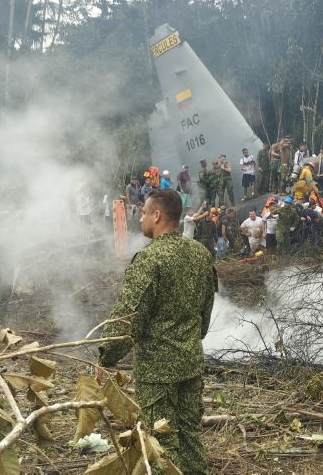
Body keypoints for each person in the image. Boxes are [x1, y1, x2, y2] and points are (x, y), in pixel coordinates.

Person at [98, 189, 216, 475]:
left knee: (161, 441)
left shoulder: (150, 260)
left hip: (157, 370)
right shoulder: (201, 254)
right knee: (190, 435)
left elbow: (128, 317)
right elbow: (205, 314)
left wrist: (105, 357)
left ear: (157, 215)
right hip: (190, 361)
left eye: (143, 213)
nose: (139, 218)